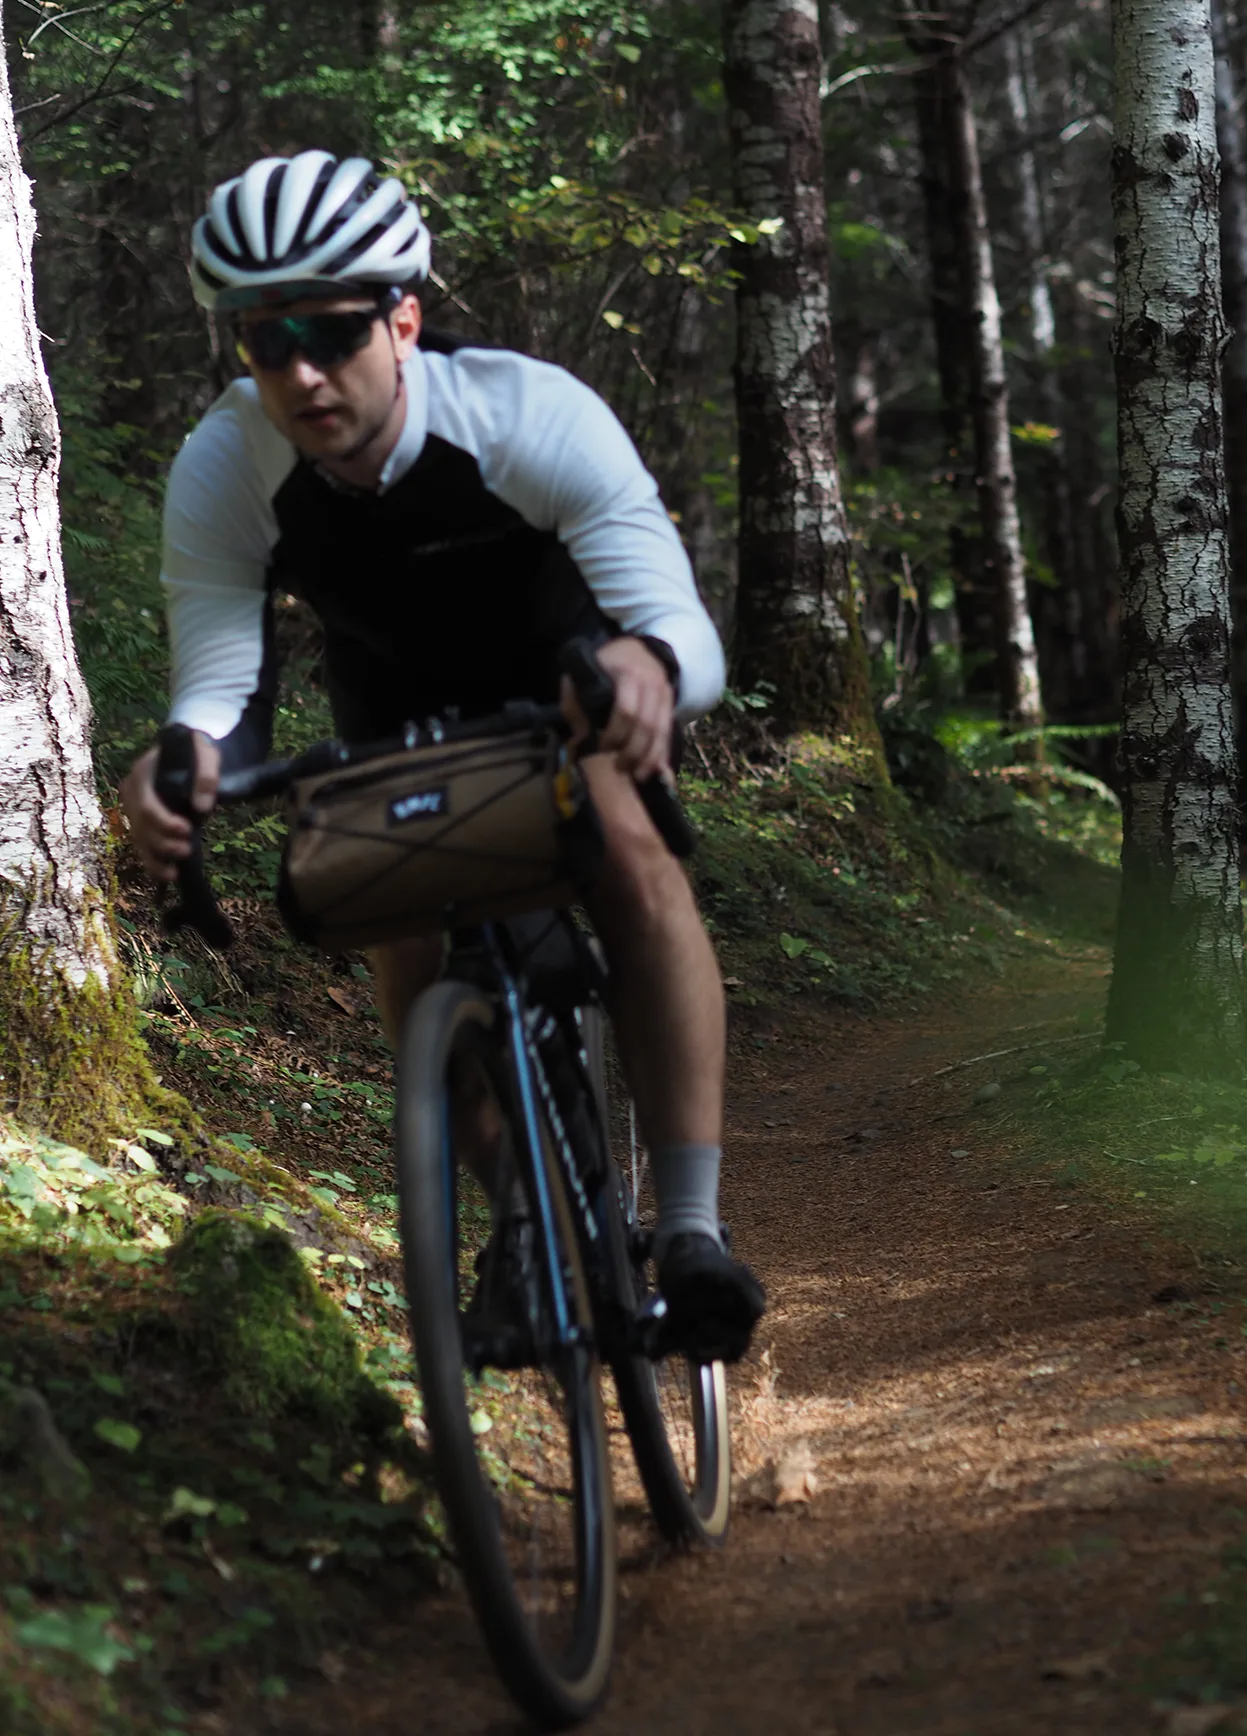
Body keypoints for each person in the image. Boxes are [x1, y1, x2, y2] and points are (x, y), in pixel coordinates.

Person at [119, 149, 765, 1362]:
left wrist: (646, 668)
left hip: (564, 682)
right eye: (267, 342)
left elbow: (682, 633)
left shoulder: (527, 415)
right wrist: (184, 760)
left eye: (333, 332)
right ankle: (524, 1215)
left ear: (403, 319)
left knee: (627, 845)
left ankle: (690, 1230)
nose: (302, 372)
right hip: (394, 703)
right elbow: (220, 688)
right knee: (400, 925)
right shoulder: (227, 463)